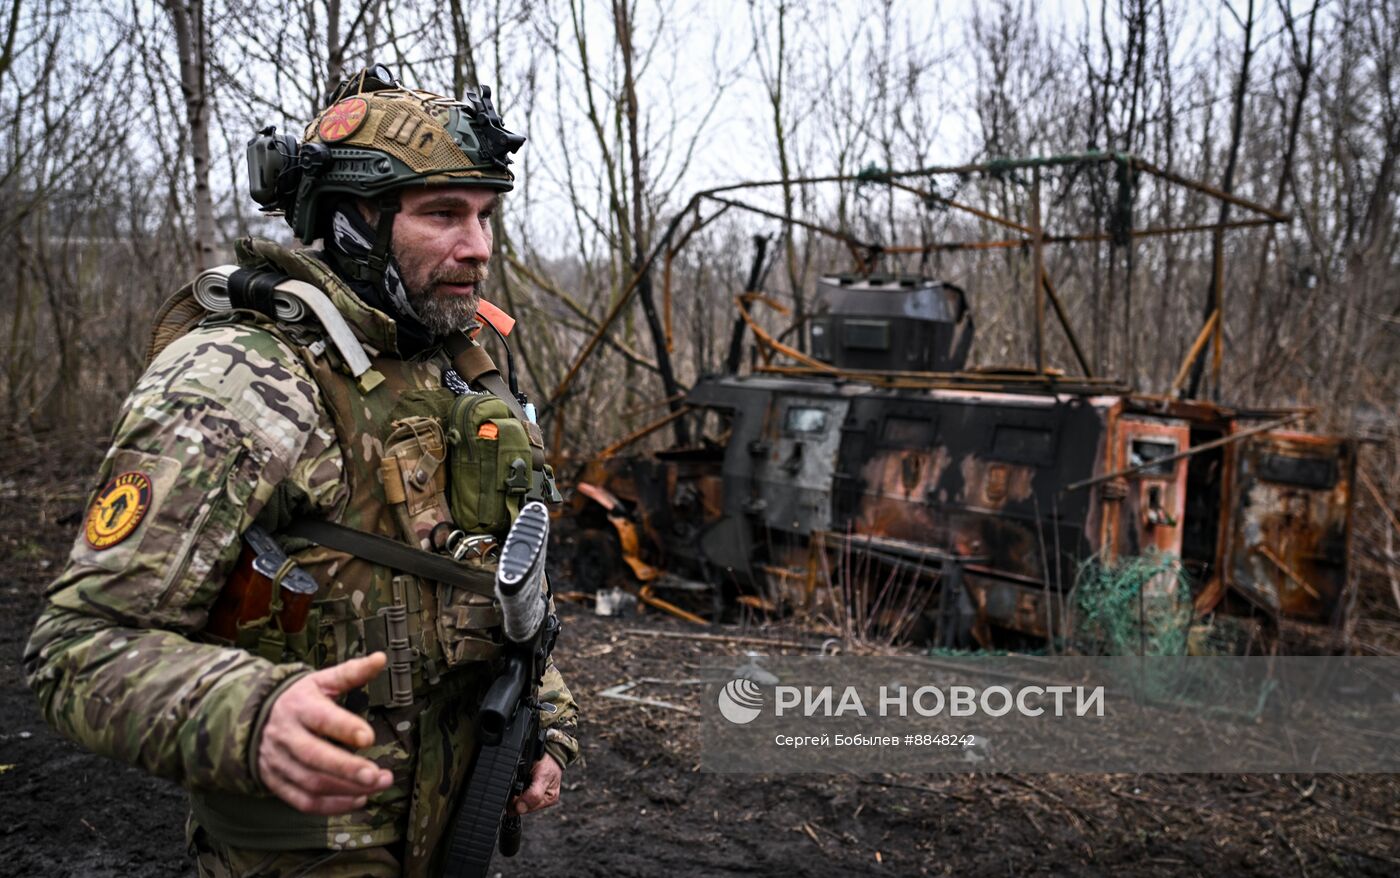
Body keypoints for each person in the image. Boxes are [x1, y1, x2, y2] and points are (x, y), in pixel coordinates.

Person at [24, 65, 579, 876]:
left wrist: (546, 719)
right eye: (443, 214)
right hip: (309, 850)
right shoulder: (240, 379)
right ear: (351, 220)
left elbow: (493, 573)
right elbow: (77, 648)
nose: (479, 247)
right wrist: (252, 715)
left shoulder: (454, 366)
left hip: (447, 825)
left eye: (485, 214)